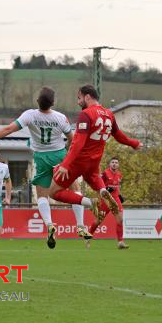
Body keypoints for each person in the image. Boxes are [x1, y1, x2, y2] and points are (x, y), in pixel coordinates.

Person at [0, 86, 90, 249]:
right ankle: (80, 226)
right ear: (53, 103)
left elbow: (8, 129)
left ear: (38, 101)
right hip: (59, 155)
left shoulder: (30, 115)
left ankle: (49, 225)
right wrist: (67, 153)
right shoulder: (60, 118)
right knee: (75, 188)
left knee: (42, 195)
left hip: (41, 157)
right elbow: (72, 138)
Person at [49, 85, 142, 227]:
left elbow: (78, 143)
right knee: (90, 177)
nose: (78, 102)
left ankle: (89, 202)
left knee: (54, 192)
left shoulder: (86, 114)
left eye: (79, 98)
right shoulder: (109, 114)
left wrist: (66, 164)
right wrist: (134, 143)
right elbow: (119, 136)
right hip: (94, 162)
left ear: (87, 97)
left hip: (79, 161)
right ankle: (103, 190)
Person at [87, 157, 129, 249]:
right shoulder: (105, 174)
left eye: (116, 162)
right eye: (113, 162)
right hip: (106, 200)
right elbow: (98, 184)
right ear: (110, 164)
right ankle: (88, 237)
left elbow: (117, 186)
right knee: (98, 221)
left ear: (118, 165)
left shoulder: (119, 174)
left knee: (120, 220)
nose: (114, 164)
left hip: (116, 199)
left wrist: (120, 195)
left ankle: (120, 242)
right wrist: (105, 190)